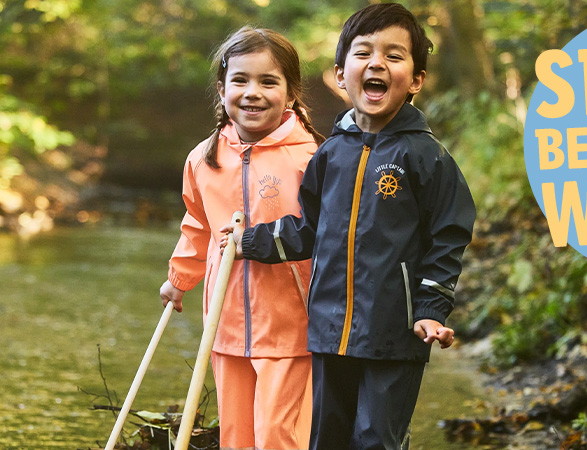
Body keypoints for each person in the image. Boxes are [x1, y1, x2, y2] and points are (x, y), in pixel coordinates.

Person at [222, 4, 477, 449]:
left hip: (394, 334)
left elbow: (449, 233)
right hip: (327, 330)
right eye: (364, 53)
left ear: (416, 79)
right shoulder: (330, 154)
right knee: (328, 438)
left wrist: (431, 310)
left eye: (394, 56)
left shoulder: (426, 157)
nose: (377, 63)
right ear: (342, 75)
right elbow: (308, 229)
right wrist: (250, 241)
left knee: (376, 439)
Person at [159, 26, 326, 450]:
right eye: (241, 80)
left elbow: (328, 234)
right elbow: (197, 224)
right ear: (222, 88)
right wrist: (179, 279)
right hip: (224, 321)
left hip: (291, 324)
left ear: (290, 94)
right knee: (237, 437)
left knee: (278, 436)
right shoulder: (204, 157)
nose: (253, 92)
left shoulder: (311, 158)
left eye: (268, 82)